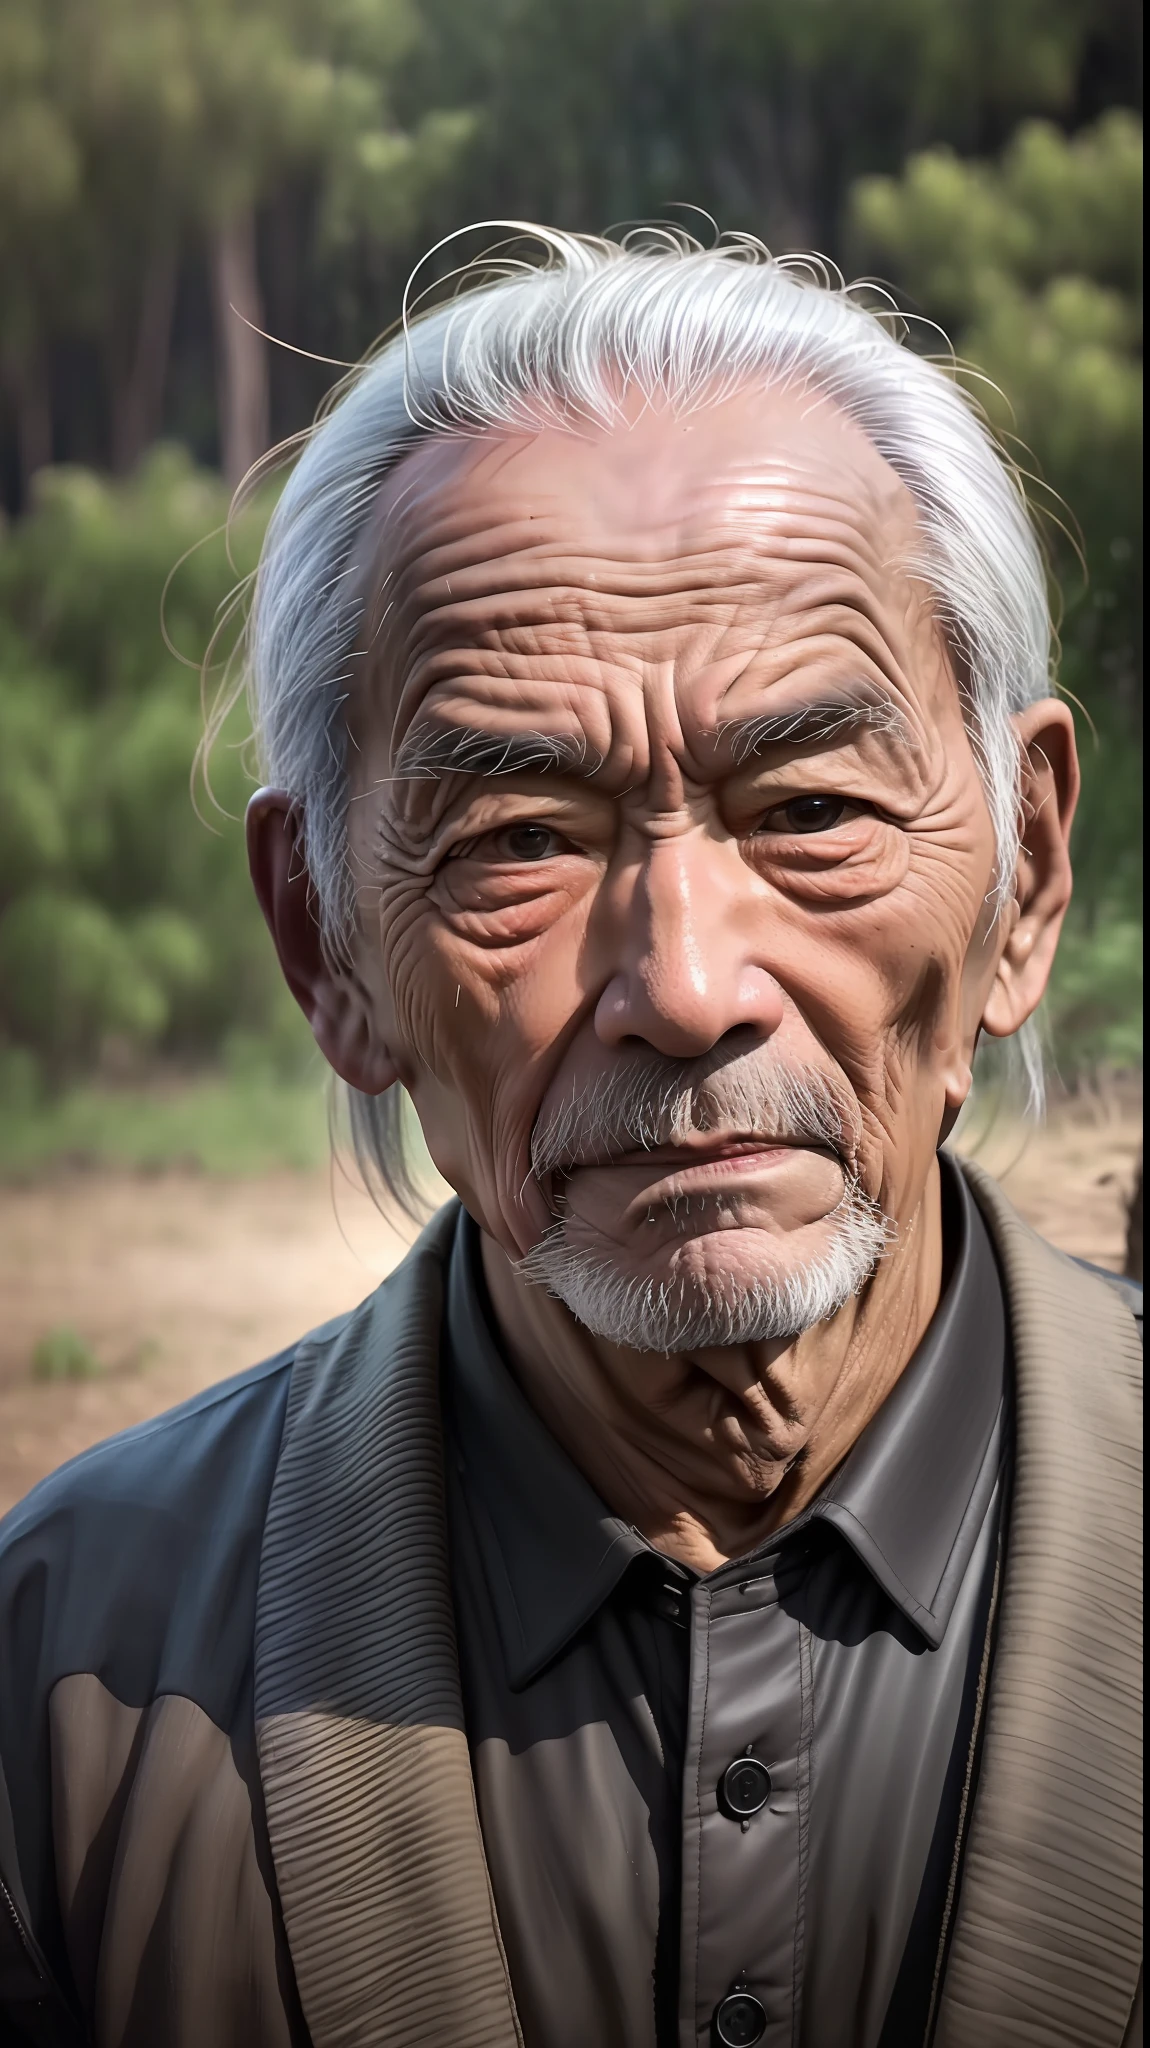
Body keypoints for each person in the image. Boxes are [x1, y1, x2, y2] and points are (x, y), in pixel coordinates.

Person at [0, 228, 1141, 2048]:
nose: (683, 987)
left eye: (813, 808)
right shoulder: (65, 1685)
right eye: (522, 838)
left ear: (1024, 878)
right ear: (329, 949)